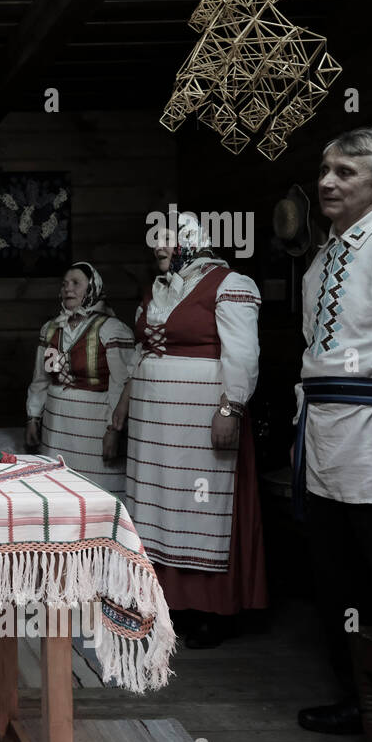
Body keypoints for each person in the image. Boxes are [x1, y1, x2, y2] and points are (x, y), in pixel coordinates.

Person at [293, 128, 372, 736]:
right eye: (327, 169)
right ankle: (361, 702)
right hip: (326, 438)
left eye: (347, 173)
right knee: (338, 582)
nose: (328, 182)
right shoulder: (320, 258)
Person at [112, 213, 265, 649]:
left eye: (167, 241)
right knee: (160, 501)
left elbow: (243, 353)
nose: (158, 249)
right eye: (155, 242)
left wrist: (230, 407)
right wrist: (123, 405)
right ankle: (165, 601)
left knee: (199, 505)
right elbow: (141, 352)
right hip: (154, 423)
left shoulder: (229, 284)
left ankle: (210, 609)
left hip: (200, 415)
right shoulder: (156, 290)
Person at [25, 262, 135, 496]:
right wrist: (33, 418)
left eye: (76, 284)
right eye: (64, 284)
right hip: (57, 426)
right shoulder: (51, 329)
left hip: (93, 426)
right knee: (58, 491)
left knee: (96, 492)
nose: (68, 289)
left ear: (93, 288)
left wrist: (114, 430)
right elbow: (41, 379)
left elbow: (121, 383)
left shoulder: (112, 329)